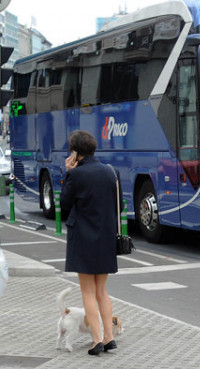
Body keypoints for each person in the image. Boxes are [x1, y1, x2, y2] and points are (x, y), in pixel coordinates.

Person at [60, 130, 119, 355]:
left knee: (87, 291)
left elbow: (65, 203)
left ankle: (96, 341)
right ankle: (109, 337)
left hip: (83, 238)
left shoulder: (77, 175)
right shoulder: (109, 172)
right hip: (105, 237)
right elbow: (118, 206)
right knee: (102, 291)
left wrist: (67, 173)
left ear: (75, 152)